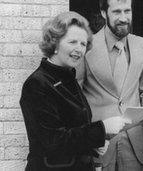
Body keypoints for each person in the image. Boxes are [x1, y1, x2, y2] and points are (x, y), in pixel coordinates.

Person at [20, 11, 127, 171]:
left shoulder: (68, 78)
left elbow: (73, 130)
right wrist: (102, 129)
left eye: (83, 44)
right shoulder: (37, 84)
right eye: (72, 42)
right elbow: (54, 141)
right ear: (54, 43)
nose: (79, 49)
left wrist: (93, 146)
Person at [76, 0, 143, 170]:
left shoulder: (142, 44)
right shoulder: (85, 45)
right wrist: (87, 135)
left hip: (137, 144)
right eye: (117, 12)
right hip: (99, 145)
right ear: (103, 12)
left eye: (127, 11)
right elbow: (76, 97)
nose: (123, 18)